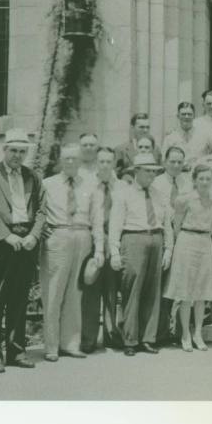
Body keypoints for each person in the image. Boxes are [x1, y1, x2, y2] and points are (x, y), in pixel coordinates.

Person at [0, 128, 45, 373]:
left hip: (25, 246)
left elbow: (43, 210)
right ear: (4, 150)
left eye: (22, 151)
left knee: (18, 301)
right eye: (13, 150)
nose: (17, 155)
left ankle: (16, 351)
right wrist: (7, 236)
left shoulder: (32, 177)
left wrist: (34, 235)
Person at [39, 144, 104, 362]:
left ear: (80, 161)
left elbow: (97, 219)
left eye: (74, 159)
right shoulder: (47, 184)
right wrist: (41, 229)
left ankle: (71, 343)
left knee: (76, 295)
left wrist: (99, 249)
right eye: (66, 158)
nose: (70, 162)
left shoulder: (90, 185)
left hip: (82, 237)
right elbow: (36, 212)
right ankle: (51, 346)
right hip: (58, 237)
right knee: (53, 292)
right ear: (59, 160)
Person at [109, 153, 173, 356]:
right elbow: (115, 224)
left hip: (156, 239)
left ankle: (148, 338)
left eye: (154, 171)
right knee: (132, 290)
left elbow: (168, 224)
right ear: (136, 171)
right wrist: (114, 252)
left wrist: (168, 249)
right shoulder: (124, 194)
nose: (151, 175)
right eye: (147, 171)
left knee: (152, 292)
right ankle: (130, 340)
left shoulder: (160, 193)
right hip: (133, 239)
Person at [165, 164, 212, 351]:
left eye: (208, 179)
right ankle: (185, 334)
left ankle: (198, 333)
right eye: (201, 179)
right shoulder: (184, 200)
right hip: (186, 240)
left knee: (202, 292)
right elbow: (176, 225)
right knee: (185, 291)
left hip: (205, 242)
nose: (205, 182)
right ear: (195, 180)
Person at [80, 146, 123, 353]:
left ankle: (111, 335)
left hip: (114, 241)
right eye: (101, 161)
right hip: (92, 241)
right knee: (91, 289)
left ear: (114, 163)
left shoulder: (122, 186)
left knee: (111, 291)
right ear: (96, 163)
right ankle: (88, 339)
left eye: (109, 161)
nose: (105, 165)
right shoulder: (87, 185)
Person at [151, 146, 193, 345]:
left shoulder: (188, 182)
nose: (176, 165)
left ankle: (179, 331)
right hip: (164, 236)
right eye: (173, 161)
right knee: (162, 284)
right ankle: (159, 332)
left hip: (184, 237)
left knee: (181, 284)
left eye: (179, 162)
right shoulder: (156, 183)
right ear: (165, 162)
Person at [115, 112, 162, 181]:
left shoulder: (156, 149)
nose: (145, 130)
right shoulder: (121, 150)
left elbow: (160, 171)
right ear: (132, 128)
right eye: (141, 127)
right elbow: (116, 173)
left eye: (147, 127)